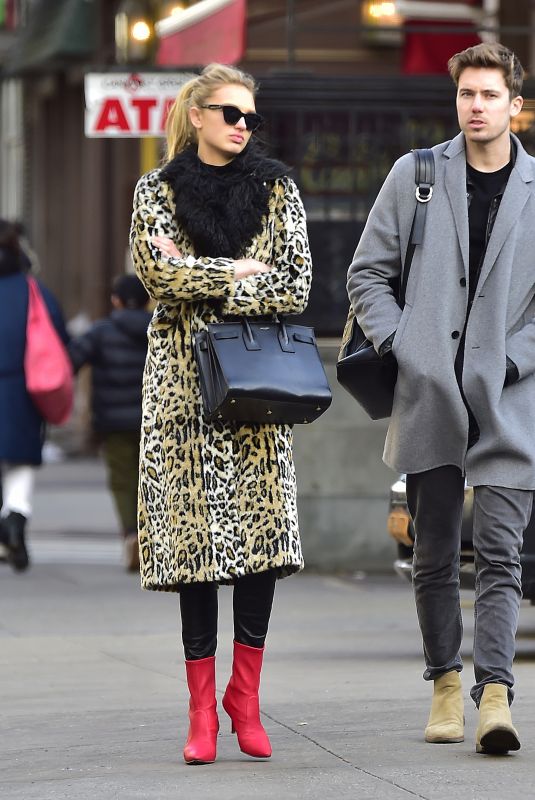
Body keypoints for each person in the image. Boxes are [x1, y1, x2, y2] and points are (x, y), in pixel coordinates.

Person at [346, 42, 535, 755]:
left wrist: (512, 362)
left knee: (499, 551)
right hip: (427, 395)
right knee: (432, 553)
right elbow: (366, 275)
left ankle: (494, 694)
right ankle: (444, 686)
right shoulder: (416, 175)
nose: (476, 107)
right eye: (466, 95)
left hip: (510, 399)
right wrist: (409, 349)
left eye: (489, 95)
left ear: (514, 105)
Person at [130, 63, 312, 765]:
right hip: (181, 391)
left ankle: (246, 695)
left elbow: (293, 284)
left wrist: (205, 277)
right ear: (198, 114)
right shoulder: (155, 190)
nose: (243, 127)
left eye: (250, 118)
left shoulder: (277, 190)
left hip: (259, 386)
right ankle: (202, 711)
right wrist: (239, 271)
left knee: (258, 544)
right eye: (231, 114)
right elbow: (157, 275)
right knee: (197, 551)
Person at [68, 274, 151, 572]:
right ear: (147, 300)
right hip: (154, 422)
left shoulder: (101, 331)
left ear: (115, 300)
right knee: (151, 479)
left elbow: (70, 361)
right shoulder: (159, 328)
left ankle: (131, 535)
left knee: (122, 479)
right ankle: (152, 536)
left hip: (113, 421)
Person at [0, 219, 69, 571]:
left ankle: (6, 528)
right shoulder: (30, 289)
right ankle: (15, 515)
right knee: (20, 462)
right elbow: (58, 333)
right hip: (20, 387)